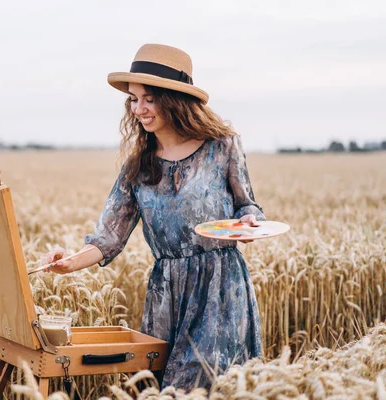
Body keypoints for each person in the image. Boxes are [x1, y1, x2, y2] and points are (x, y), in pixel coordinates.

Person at [42, 43, 264, 392]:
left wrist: (249, 222)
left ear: (174, 99)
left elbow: (248, 205)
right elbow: (108, 238)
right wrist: (68, 263)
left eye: (148, 98)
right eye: (133, 99)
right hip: (166, 296)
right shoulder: (137, 166)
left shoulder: (222, 146)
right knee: (161, 389)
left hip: (220, 289)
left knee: (202, 387)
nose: (138, 109)